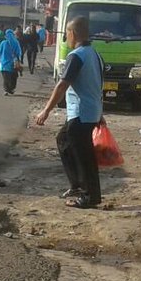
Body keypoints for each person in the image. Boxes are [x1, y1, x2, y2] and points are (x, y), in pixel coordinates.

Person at [33, 16, 103, 209]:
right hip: (89, 111)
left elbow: (62, 84)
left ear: (72, 33)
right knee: (63, 139)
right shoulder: (94, 54)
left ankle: (88, 195)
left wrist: (46, 110)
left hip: (82, 113)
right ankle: (77, 185)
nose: (66, 38)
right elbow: (97, 84)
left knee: (83, 155)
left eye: (66, 34)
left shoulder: (77, 55)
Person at [0, 27, 22, 95]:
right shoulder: (16, 42)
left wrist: (1, 58)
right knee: (13, 77)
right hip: (13, 64)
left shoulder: (3, 43)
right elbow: (19, 53)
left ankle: (6, 90)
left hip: (3, 64)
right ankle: (11, 89)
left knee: (5, 78)